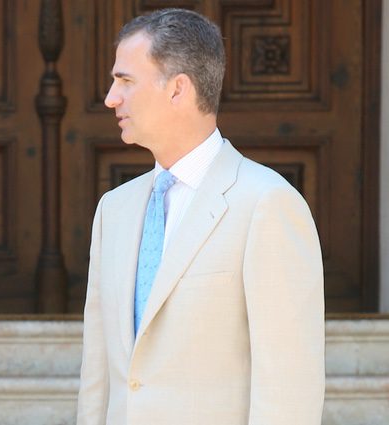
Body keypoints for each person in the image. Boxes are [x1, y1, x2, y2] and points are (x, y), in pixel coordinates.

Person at [77, 8, 324, 425]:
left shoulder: (267, 204)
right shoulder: (113, 211)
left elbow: (289, 388)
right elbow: (97, 376)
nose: (110, 98)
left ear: (178, 90)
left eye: (125, 81)